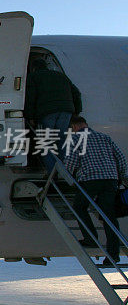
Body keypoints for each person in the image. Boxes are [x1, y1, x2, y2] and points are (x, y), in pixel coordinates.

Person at [64, 116, 128, 266]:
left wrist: (67, 177)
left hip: (90, 180)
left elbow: (71, 162)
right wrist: (122, 176)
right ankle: (113, 255)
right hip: (111, 180)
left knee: (80, 207)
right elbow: (121, 158)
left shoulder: (75, 139)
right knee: (109, 217)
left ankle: (90, 238)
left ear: (74, 127)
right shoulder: (104, 137)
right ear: (86, 124)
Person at [25, 58, 82, 171]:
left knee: (46, 142)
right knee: (61, 141)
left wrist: (30, 116)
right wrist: (76, 112)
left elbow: (30, 98)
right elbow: (76, 93)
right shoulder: (61, 76)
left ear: (33, 68)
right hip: (66, 112)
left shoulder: (33, 77)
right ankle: (65, 170)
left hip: (47, 112)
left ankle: (52, 171)